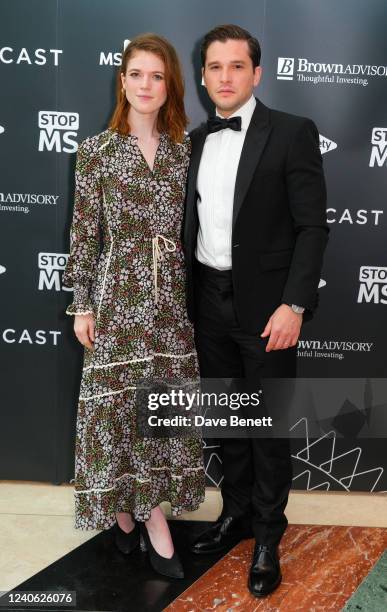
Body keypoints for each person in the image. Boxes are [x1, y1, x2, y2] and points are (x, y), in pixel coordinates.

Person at [183, 25, 328, 597]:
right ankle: (236, 516)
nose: (225, 77)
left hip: (269, 309)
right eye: (215, 67)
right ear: (202, 75)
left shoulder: (292, 133)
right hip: (207, 302)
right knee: (228, 421)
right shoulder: (195, 140)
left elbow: (312, 227)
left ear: (256, 73)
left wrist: (294, 303)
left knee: (266, 428)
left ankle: (268, 535)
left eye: (237, 66)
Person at [62, 33, 205, 579]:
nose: (146, 85)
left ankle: (134, 511)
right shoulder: (96, 151)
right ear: (122, 80)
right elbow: (83, 236)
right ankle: (145, 519)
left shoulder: (183, 150)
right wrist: (81, 304)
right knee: (116, 410)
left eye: (157, 76)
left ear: (170, 85)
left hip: (169, 296)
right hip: (116, 293)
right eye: (136, 74)